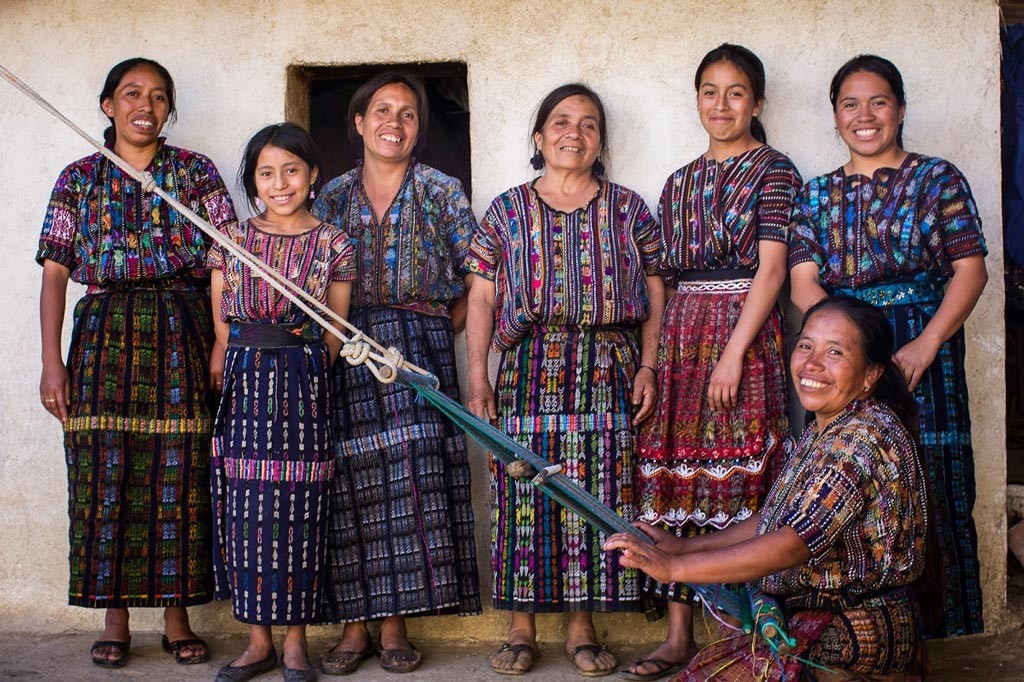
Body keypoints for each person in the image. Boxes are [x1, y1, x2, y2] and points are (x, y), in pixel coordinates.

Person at [607, 296, 928, 681]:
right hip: (828, 615)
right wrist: (683, 546)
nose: (811, 364)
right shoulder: (826, 428)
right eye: (806, 345)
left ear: (870, 375)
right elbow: (777, 516)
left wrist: (674, 567)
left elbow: (793, 542)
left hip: (857, 628)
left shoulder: (860, 440)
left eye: (835, 352)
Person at [36, 58, 236, 667]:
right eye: (131, 93)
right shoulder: (78, 178)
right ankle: (115, 617)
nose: (144, 104)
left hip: (181, 331)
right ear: (108, 105)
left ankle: (177, 617)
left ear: (168, 110)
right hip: (102, 337)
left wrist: (223, 341)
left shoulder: (195, 174)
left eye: (157, 96)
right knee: (104, 477)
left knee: (180, 475)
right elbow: (55, 275)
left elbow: (224, 259)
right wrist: (52, 363)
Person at [465, 83, 666, 677]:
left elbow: (657, 291)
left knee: (594, 496)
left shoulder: (628, 208)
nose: (572, 133)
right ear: (538, 136)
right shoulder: (506, 209)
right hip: (528, 367)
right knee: (522, 490)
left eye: (587, 124)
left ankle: (583, 625)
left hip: (608, 367)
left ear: (600, 142)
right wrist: (480, 379)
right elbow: (481, 297)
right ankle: (521, 630)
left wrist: (650, 364)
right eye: (559, 121)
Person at [789, 54, 988, 638]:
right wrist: (845, 352)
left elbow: (969, 271)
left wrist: (924, 346)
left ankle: (932, 634)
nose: (865, 116)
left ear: (900, 109)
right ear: (834, 115)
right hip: (844, 356)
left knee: (931, 476)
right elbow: (803, 284)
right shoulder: (815, 194)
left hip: (927, 348)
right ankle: (856, 637)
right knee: (845, 480)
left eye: (878, 102)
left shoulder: (939, 179)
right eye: (850, 104)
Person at [629, 44, 801, 680]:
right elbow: (664, 279)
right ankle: (677, 635)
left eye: (735, 93)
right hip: (681, 337)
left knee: (746, 478)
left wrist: (732, 353)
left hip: (745, 336)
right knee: (672, 475)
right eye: (709, 91)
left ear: (757, 102)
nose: (721, 105)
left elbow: (773, 267)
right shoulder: (679, 182)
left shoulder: (775, 170)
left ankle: (752, 632)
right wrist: (657, 362)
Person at [312, 72, 481, 675]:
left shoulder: (441, 190)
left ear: (419, 131)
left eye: (408, 114)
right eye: (382, 110)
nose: (395, 122)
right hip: (347, 347)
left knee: (408, 491)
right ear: (358, 123)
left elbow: (478, 272)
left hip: (417, 349)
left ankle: (393, 627)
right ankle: (353, 628)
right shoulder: (327, 197)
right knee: (352, 484)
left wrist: (443, 331)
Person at [209, 123, 354, 682]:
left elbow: (335, 327)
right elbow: (223, 315)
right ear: (254, 182)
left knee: (298, 510)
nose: (280, 183)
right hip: (245, 378)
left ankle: (295, 645)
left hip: (301, 380)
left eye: (291, 170)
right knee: (247, 509)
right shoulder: (233, 238)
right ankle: (257, 643)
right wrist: (225, 356)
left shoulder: (334, 243)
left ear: (313, 175)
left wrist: (314, 365)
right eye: (266, 173)